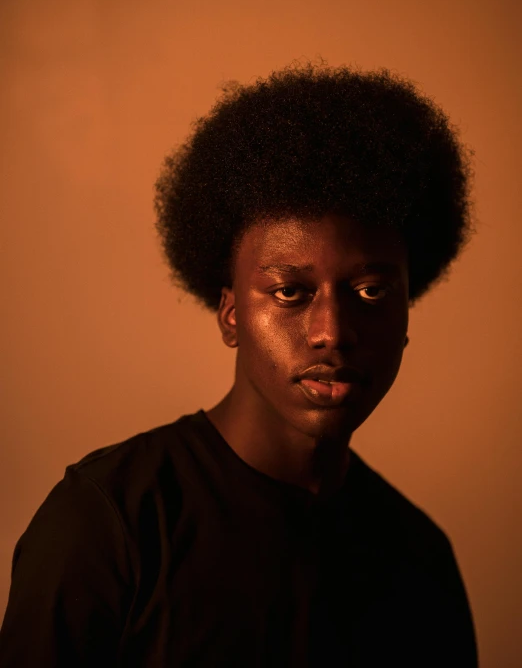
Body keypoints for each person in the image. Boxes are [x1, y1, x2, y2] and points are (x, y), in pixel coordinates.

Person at [0, 60, 479, 666]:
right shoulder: (108, 523)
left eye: (372, 293)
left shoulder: (419, 559)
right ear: (230, 315)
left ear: (407, 314)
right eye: (289, 292)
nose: (333, 333)